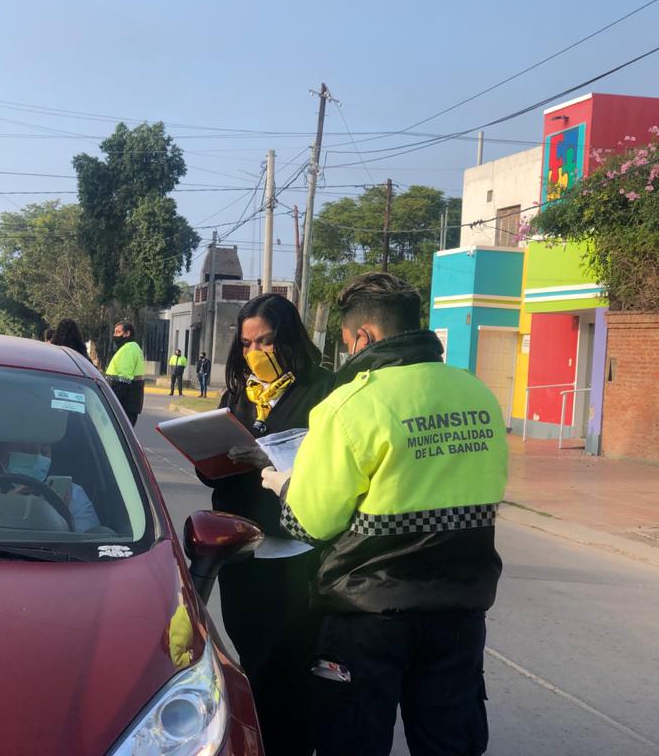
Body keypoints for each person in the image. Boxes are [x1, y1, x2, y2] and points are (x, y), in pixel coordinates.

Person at [265, 272, 508, 756]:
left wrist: (285, 486)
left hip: (366, 616)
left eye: (346, 344)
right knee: (450, 744)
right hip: (459, 612)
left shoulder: (351, 405)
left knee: (351, 742)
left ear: (364, 336)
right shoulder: (477, 394)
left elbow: (310, 523)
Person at [196, 292, 334, 756]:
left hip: (295, 554)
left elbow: (332, 468)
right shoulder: (241, 393)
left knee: (287, 667)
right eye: (247, 343)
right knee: (252, 657)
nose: (256, 352)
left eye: (266, 341)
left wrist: (271, 459)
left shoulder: (322, 391)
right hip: (241, 551)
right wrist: (211, 456)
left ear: (289, 338)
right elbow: (212, 472)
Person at [104, 321, 145, 427]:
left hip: (124, 405)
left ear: (127, 333)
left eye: (118, 332)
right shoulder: (134, 347)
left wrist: (113, 402)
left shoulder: (128, 349)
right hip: (130, 404)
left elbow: (123, 380)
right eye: (114, 332)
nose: (115, 335)